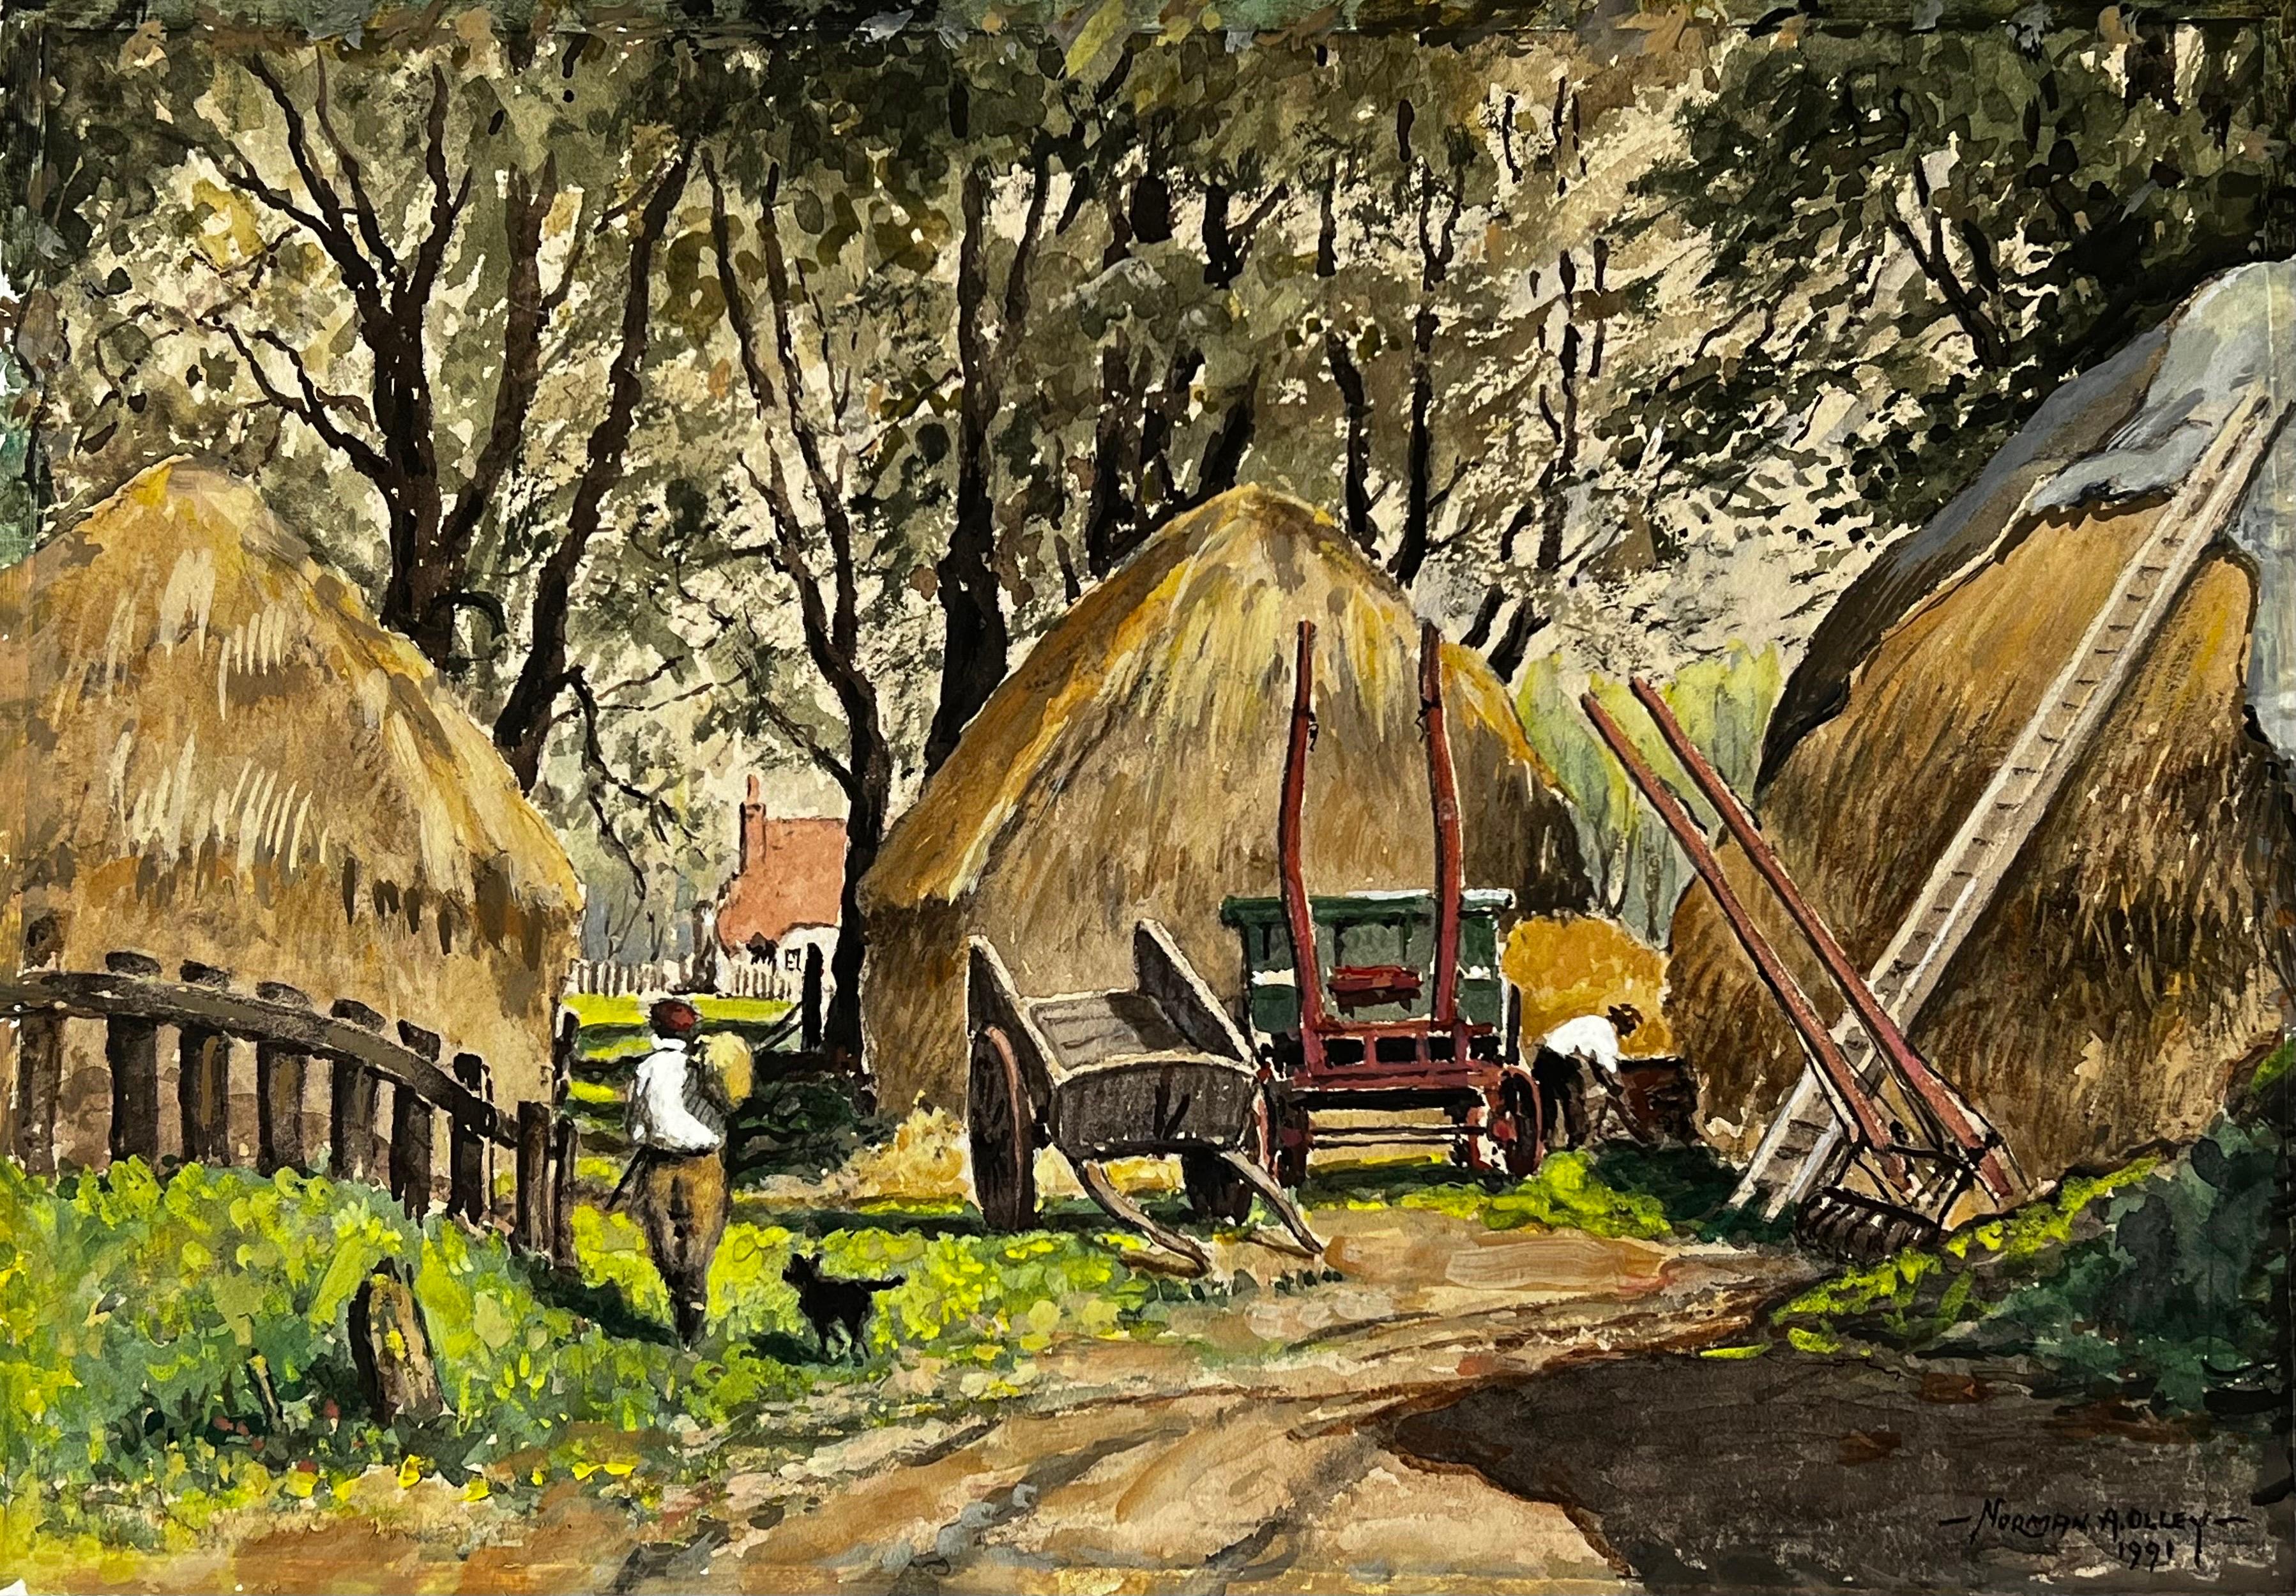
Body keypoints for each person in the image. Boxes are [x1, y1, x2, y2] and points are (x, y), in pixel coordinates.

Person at [621, 997, 731, 1344]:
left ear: (655, 1029)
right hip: (704, 1165)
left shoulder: (646, 1070)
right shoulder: (704, 1069)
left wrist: (653, 1132)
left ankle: (682, 1300)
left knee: (664, 1240)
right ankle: (693, 1303)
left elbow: (635, 1130)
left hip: (660, 1165)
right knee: (699, 1240)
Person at [1530, 1003, 1643, 1149]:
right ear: (1621, 1024)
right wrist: (1614, 1087)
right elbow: (1604, 1066)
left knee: (1549, 1102)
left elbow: (1595, 1063)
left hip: (1544, 1056)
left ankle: (1547, 1143)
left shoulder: (1594, 1021)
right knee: (1574, 1099)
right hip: (1561, 1061)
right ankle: (1576, 1143)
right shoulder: (1606, 1033)